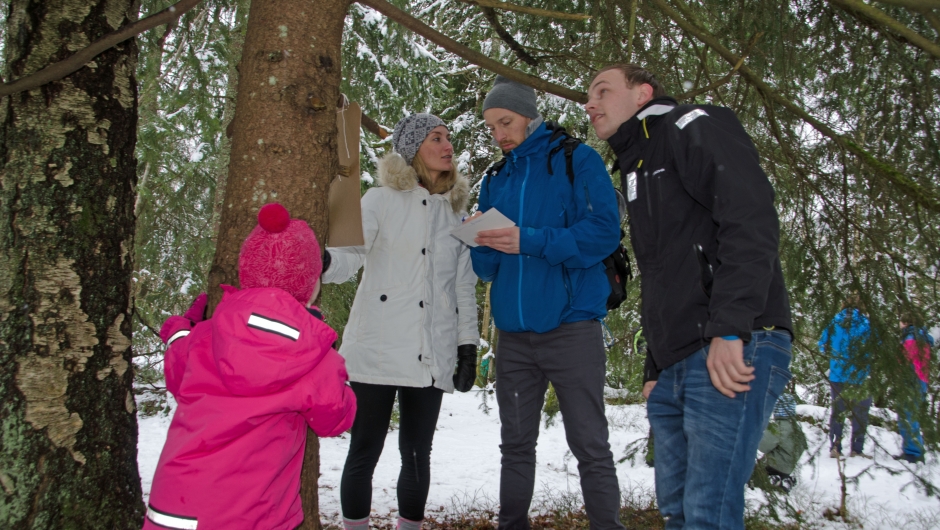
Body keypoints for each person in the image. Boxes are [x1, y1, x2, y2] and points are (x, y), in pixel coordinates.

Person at [586, 64, 793, 529]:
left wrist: (730, 327)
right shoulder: (636, 163)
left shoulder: (691, 124)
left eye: (603, 90)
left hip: (733, 344)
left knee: (708, 514)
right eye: (588, 95)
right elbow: (663, 274)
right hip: (677, 362)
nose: (590, 102)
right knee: (678, 513)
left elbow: (750, 220)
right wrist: (656, 364)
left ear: (643, 93)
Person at [469, 75, 625, 530]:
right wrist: (479, 240)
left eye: (506, 121)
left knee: (590, 446)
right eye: (492, 126)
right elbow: (487, 271)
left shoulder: (579, 160)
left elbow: (602, 234)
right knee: (515, 446)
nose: (499, 134)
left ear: (530, 115)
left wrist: (529, 240)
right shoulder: (496, 179)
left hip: (571, 329)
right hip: (514, 336)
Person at [145, 203, 357, 530]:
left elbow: (176, 370)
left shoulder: (207, 334)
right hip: (254, 516)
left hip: (175, 509)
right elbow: (337, 416)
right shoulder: (312, 356)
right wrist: (330, 361)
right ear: (311, 283)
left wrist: (183, 326)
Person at [322, 113, 480, 530]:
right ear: (412, 149)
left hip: (432, 352)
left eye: (448, 137)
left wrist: (467, 347)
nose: (448, 145)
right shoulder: (380, 200)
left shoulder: (456, 216)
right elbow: (350, 255)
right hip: (377, 344)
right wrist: (319, 262)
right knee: (364, 450)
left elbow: (463, 290)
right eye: (436, 137)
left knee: (416, 453)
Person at [819, 298, 873, 459]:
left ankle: (835, 446)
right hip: (860, 376)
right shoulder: (866, 323)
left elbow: (821, 344)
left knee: (838, 412)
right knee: (860, 413)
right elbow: (877, 344)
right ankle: (857, 448)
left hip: (838, 375)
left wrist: (833, 359)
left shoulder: (834, 321)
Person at [896, 314, 933, 464]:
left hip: (912, 379)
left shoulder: (911, 336)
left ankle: (913, 451)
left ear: (905, 322)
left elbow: (907, 358)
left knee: (908, 414)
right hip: (920, 378)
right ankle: (910, 449)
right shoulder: (921, 335)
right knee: (909, 414)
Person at [756, 392, 807, 492]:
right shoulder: (796, 428)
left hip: (772, 465)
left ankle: (770, 480)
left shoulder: (778, 426)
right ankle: (786, 480)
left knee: (753, 475)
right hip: (788, 468)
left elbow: (763, 445)